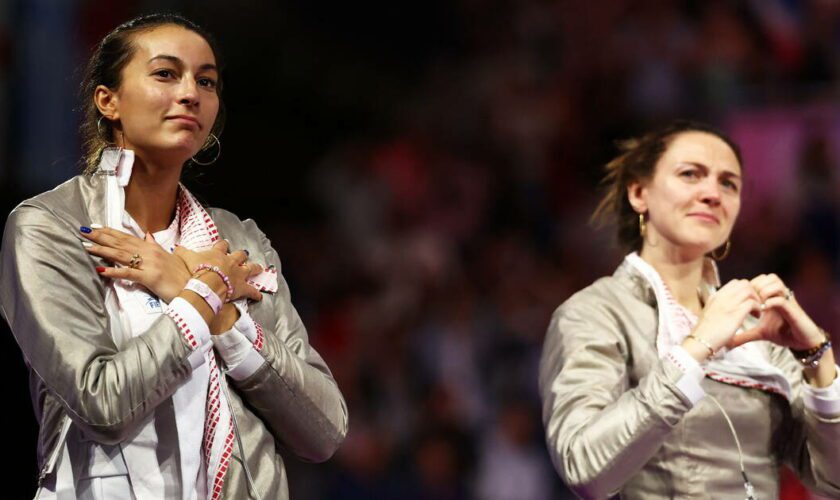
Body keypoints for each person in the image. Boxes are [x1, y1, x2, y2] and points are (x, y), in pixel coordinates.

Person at [0, 13, 347, 500]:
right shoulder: (50, 226)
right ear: (109, 100)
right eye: (166, 74)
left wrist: (223, 316)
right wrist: (200, 295)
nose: (190, 93)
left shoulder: (239, 242)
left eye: (206, 80)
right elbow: (103, 405)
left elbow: (324, 430)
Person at [539, 121, 840, 499]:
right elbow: (585, 469)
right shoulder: (594, 313)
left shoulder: (758, 333)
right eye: (690, 174)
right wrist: (696, 349)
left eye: (728, 183)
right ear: (638, 192)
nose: (712, 193)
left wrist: (818, 360)